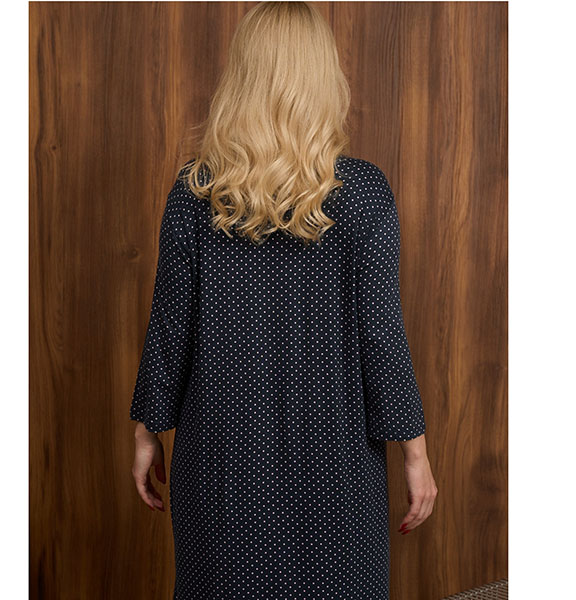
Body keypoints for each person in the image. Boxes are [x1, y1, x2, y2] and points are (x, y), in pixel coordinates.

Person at [129, 2, 437, 598]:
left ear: (242, 76)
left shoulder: (196, 191)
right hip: (335, 461)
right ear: (323, 77)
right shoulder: (363, 193)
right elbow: (382, 337)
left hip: (220, 462)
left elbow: (170, 328)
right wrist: (415, 453)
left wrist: (148, 433)